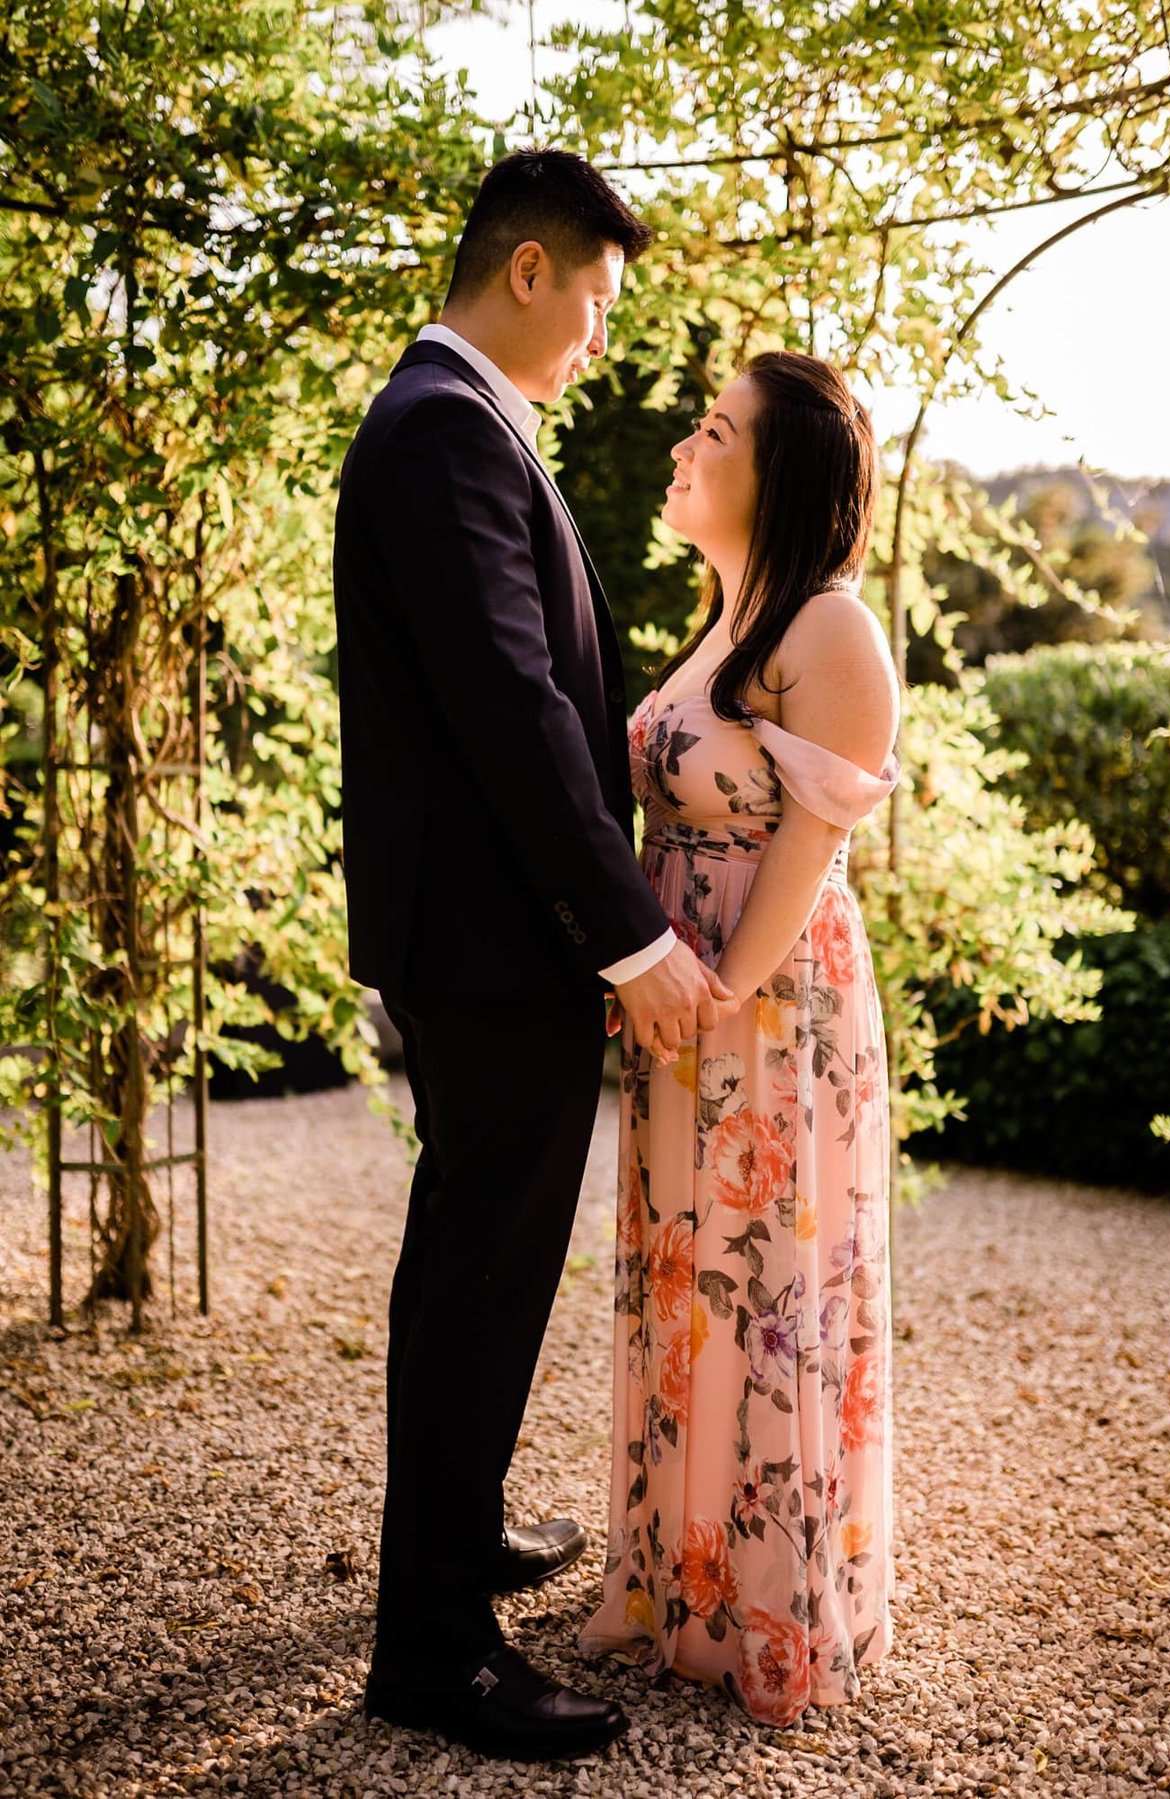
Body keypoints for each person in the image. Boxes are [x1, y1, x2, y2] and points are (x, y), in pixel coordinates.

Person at [332, 150, 737, 1762]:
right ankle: (431, 1653)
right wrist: (628, 936)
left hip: (479, 930)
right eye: (598, 301)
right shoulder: (445, 429)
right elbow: (511, 709)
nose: (597, 340)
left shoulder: (455, 424)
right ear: (528, 272)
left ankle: (456, 1529)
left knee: (465, 1265)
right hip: (501, 942)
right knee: (487, 1279)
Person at [579, 352, 901, 1726]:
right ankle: (678, 1583)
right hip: (687, 1005)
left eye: (713, 431)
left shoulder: (829, 630)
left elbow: (811, 850)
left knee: (764, 1294)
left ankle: (770, 1605)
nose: (680, 449)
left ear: (780, 475)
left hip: (765, 1014)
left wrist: (715, 1002)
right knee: (686, 1279)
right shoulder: (723, 621)